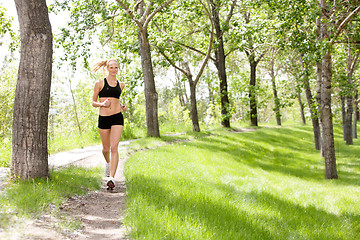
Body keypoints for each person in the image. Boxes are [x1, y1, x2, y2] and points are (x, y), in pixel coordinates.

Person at [92, 58, 127, 190]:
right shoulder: (100, 83)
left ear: (118, 69)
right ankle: (108, 162)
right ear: (107, 68)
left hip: (117, 117)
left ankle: (112, 178)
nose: (114, 70)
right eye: (111, 67)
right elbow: (93, 102)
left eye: (116, 67)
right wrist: (102, 104)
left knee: (114, 147)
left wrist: (121, 106)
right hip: (104, 118)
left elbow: (116, 98)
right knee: (106, 149)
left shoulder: (121, 84)